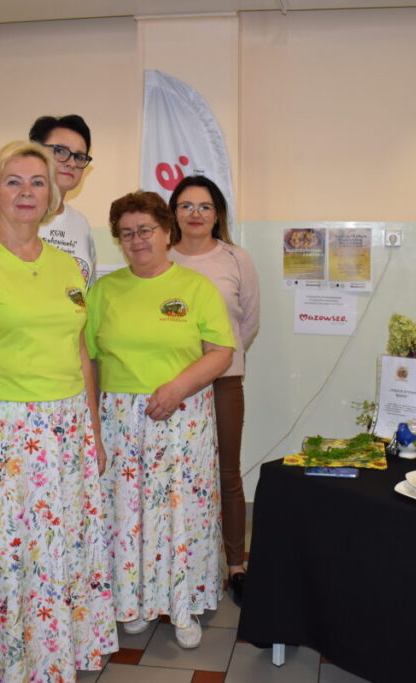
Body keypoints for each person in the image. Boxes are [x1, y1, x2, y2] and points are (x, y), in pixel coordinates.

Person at [0, 141, 116, 680]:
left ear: (54, 197)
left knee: (60, 556)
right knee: (5, 562)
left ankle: (52, 660)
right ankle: (3, 667)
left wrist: (93, 434)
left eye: (38, 182)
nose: (27, 191)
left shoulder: (67, 265)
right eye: (14, 181)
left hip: (67, 433)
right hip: (1, 436)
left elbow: (80, 353)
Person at [86, 191, 235, 649]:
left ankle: (182, 603)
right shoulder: (103, 292)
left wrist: (175, 389)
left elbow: (221, 353)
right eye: (126, 233)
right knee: (127, 514)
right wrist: (93, 426)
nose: (137, 240)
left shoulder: (196, 289)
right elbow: (87, 361)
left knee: (177, 514)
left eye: (145, 230)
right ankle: (131, 601)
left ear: (166, 232)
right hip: (119, 420)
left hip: (181, 416)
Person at [167, 175, 259, 606]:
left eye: (204, 206)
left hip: (223, 381)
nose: (196, 214)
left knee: (227, 472)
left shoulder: (236, 258)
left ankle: (235, 565)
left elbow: (248, 323)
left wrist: (222, 359)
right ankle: (178, 561)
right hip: (174, 385)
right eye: (186, 206)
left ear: (218, 213)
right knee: (178, 477)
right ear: (173, 213)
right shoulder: (162, 259)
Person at [0, 115, 97, 285]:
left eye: (79, 156)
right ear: (35, 152)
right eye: (60, 151)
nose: (71, 162)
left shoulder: (80, 224)